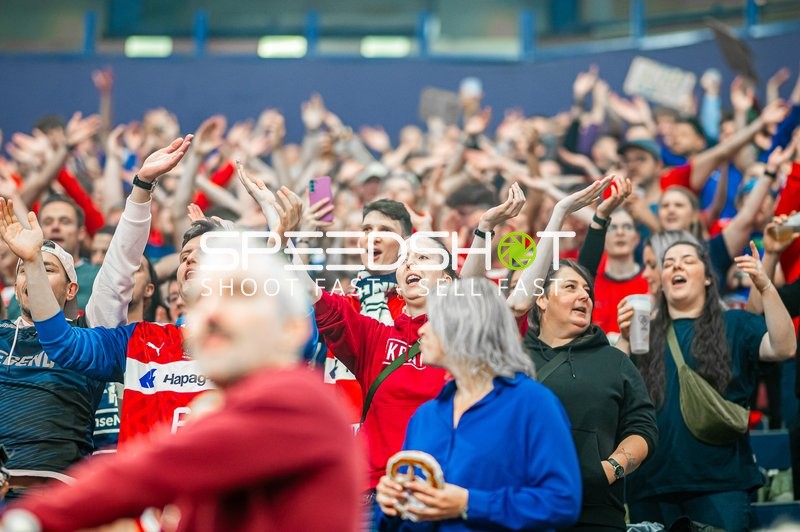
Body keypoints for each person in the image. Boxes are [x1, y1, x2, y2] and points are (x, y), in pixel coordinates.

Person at [0, 244, 362, 532]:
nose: (216, 317)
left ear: (291, 330)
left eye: (238, 301)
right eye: (207, 305)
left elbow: (155, 471)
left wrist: (32, 517)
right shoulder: (160, 354)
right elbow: (65, 345)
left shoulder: (295, 400)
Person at [376, 278, 582, 530]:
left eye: (434, 321)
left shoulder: (533, 405)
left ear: (465, 326)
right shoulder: (425, 416)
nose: (422, 330)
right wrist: (391, 506)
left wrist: (469, 503)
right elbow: (409, 513)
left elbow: (561, 502)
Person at [620, 241, 796, 530]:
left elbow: (783, 347)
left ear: (707, 278)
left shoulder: (735, 323)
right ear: (662, 283)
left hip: (720, 483)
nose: (676, 265)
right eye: (668, 263)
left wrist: (765, 287)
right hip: (651, 485)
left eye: (688, 260)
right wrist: (625, 339)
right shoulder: (642, 334)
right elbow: (613, 390)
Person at [522, 258, 658, 530]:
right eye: (570, 286)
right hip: (526, 510)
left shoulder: (614, 361)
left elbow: (643, 429)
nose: (584, 295)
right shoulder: (514, 360)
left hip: (598, 515)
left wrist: (611, 469)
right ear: (541, 299)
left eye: (587, 290)